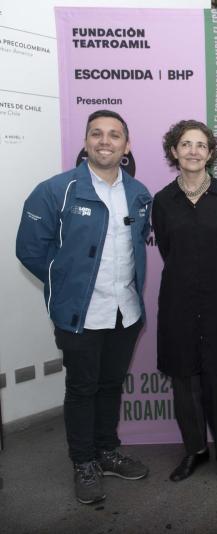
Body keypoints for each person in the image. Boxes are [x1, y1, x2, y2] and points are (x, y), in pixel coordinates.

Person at [16, 110, 151, 504]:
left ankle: (107, 452)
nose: (104, 141)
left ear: (126, 146)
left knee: (110, 385)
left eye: (114, 135)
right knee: (82, 388)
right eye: (97, 134)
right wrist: (66, 287)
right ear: (86, 141)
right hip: (79, 315)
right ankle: (84, 462)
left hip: (125, 311)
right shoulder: (55, 190)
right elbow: (30, 250)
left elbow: (136, 247)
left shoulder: (139, 192)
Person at [152, 120, 217, 485]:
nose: (193, 151)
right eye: (185, 144)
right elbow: (166, 249)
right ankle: (195, 450)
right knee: (184, 381)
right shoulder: (162, 200)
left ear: (210, 153)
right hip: (177, 302)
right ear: (174, 151)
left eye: (200, 145)